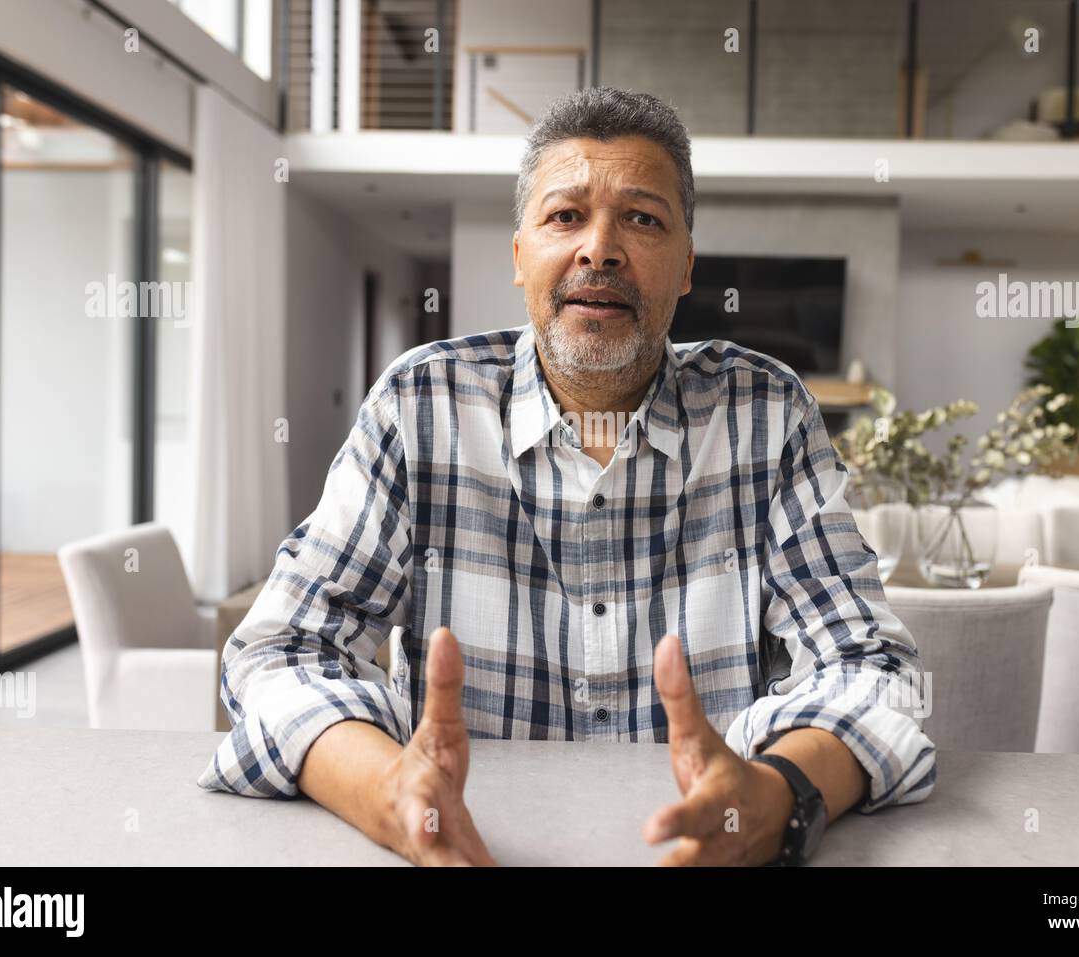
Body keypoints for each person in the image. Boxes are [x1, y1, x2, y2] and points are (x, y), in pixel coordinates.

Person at [198, 86, 936, 866]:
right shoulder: (421, 405)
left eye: (643, 218)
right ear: (520, 256)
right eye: (565, 216)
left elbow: (871, 669)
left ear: (687, 265)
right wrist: (386, 787)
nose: (600, 249)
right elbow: (282, 649)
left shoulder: (767, 415)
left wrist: (779, 798)